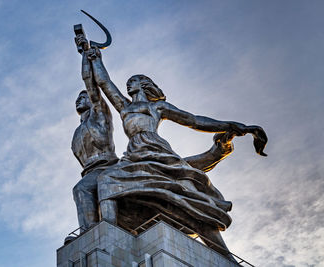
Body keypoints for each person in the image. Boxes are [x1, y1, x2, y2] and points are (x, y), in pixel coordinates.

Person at [84, 45, 267, 260]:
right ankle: (108, 235)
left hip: (158, 152)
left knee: (187, 198)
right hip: (134, 154)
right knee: (107, 180)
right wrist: (95, 58)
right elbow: (105, 83)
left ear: (144, 85)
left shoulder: (158, 108)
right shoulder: (124, 106)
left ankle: (225, 256)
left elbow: (194, 120)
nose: (128, 83)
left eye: (133, 80)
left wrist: (233, 126)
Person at [71, 39, 118, 232]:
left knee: (82, 188)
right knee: (81, 188)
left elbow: (91, 85)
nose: (79, 100)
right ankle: (90, 233)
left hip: (107, 167)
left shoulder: (100, 115)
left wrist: (85, 55)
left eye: (83, 97)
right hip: (89, 171)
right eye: (77, 98)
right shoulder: (77, 134)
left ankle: (93, 231)